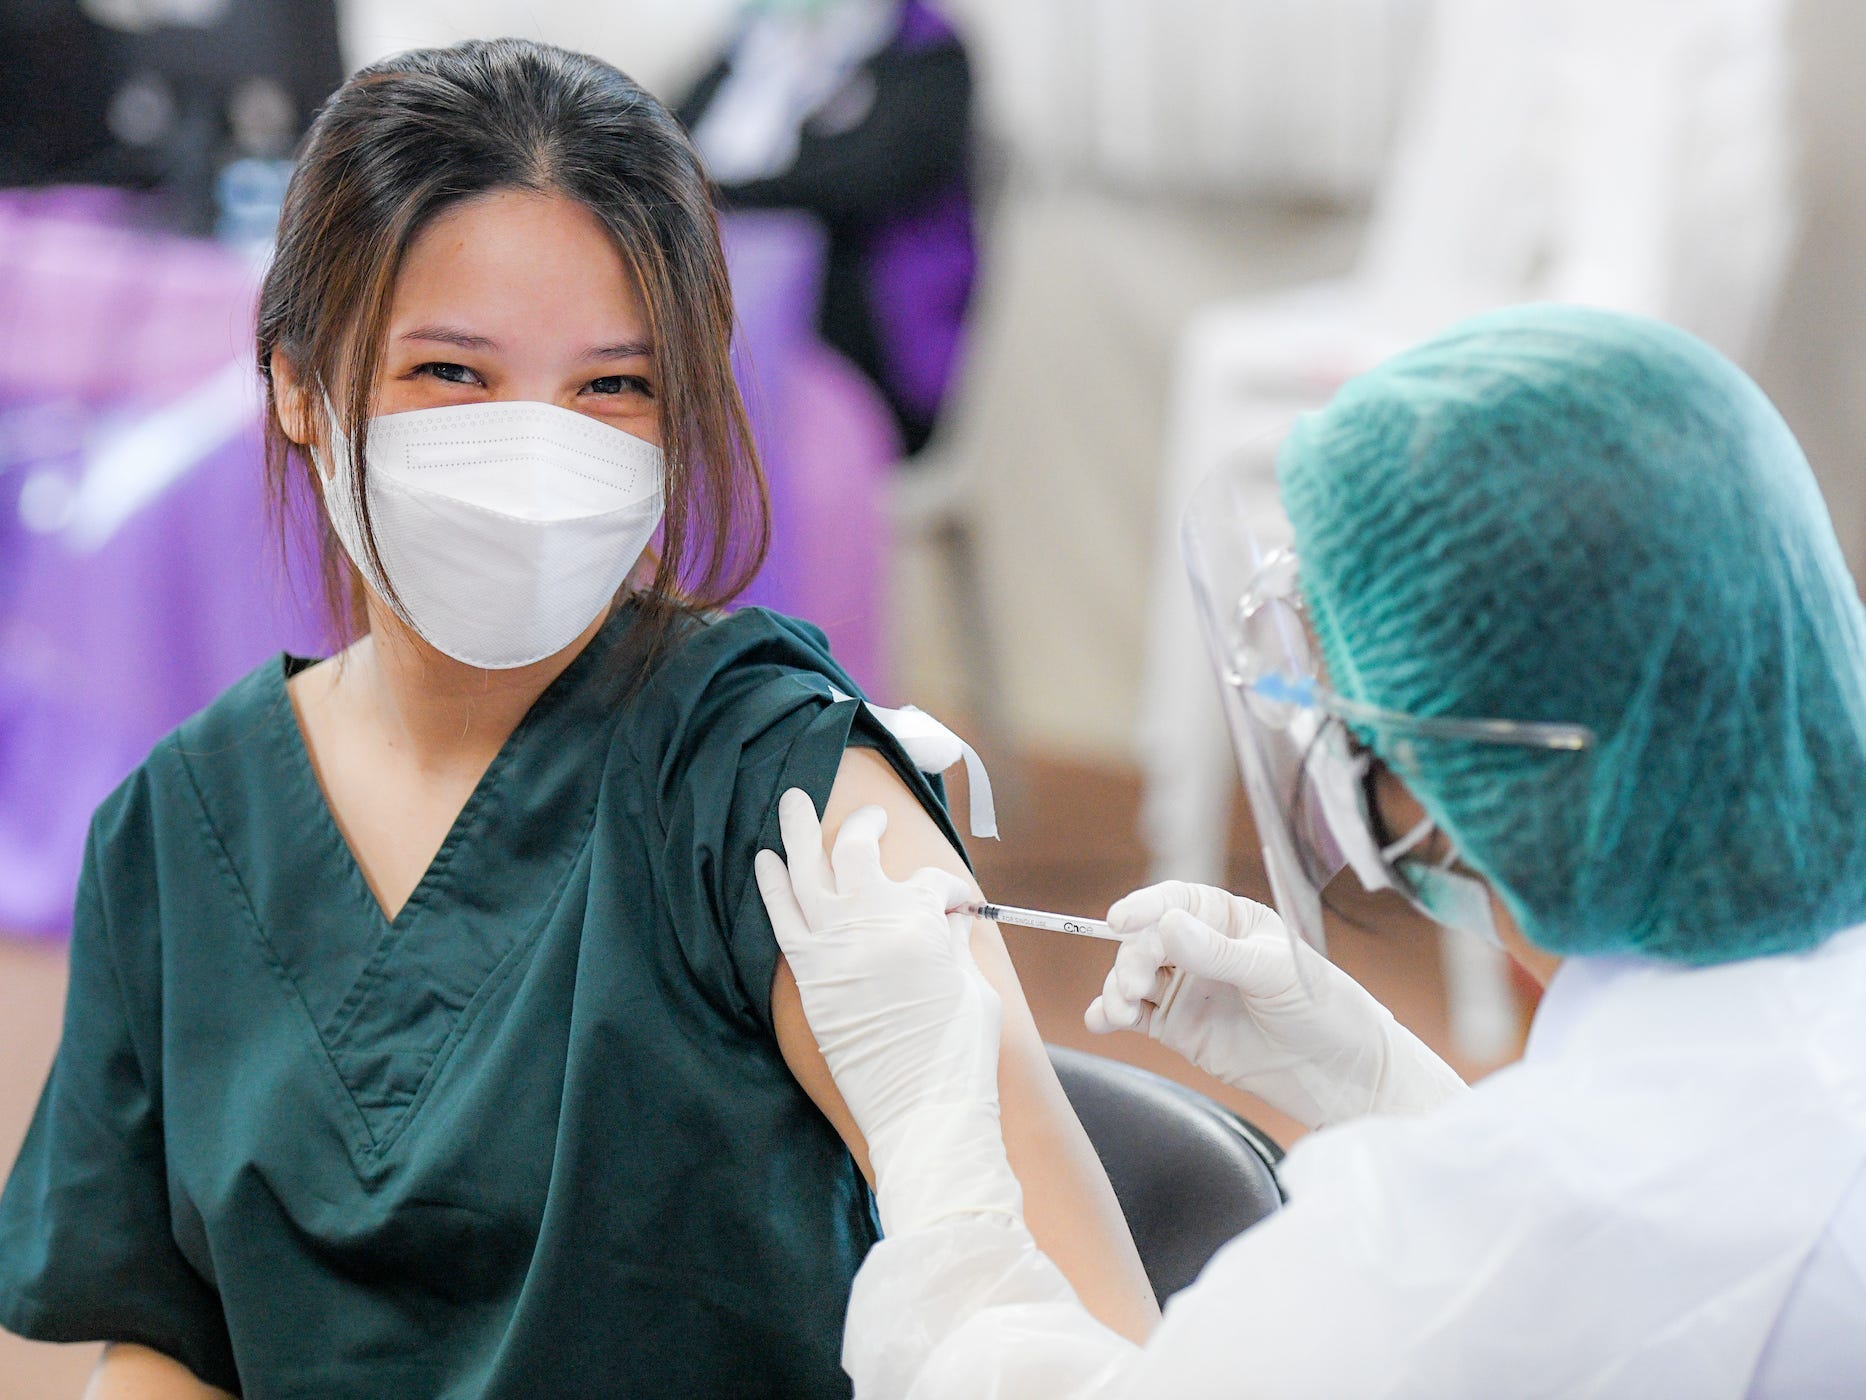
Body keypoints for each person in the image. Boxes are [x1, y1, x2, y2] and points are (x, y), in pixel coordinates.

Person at [0, 39, 1158, 1398]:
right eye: (450, 373)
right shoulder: (181, 826)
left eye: (613, 385)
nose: (537, 447)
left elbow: (1094, 1342)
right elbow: (158, 1347)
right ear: (299, 385)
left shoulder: (780, 795)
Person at [754, 304, 1866, 1397]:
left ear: (1464, 768)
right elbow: (1626, 1216)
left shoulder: (1424, 1259)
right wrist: (1365, 1074)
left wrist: (934, 1148)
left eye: (1345, 699)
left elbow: (1525, 1252)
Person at [677, 0, 977, 457]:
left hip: (869, 334)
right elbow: (663, 139)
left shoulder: (926, 52)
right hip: (726, 303)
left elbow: (862, 179)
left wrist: (718, 192)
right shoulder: (757, 43)